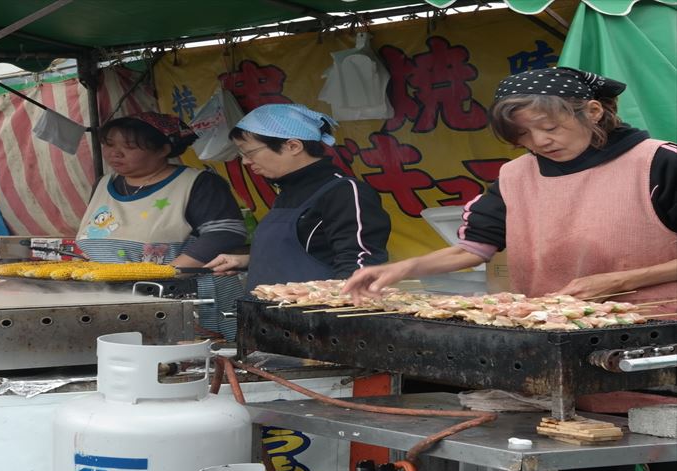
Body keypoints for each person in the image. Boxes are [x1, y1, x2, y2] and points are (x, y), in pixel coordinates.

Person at [342, 67, 677, 316]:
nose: (540, 142)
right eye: (523, 136)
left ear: (592, 111)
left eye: (550, 128)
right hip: (554, 335)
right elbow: (474, 248)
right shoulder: (515, 175)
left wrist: (619, 282)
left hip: (656, 337)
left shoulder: (657, 162)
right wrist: (401, 269)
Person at [76, 111, 247, 337]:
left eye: (130, 146)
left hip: (188, 299)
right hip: (116, 299)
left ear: (164, 149)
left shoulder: (198, 183)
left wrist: (168, 277)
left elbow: (224, 233)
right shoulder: (103, 184)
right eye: (108, 144)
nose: (115, 153)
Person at [206, 104, 391, 288]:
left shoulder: (345, 191)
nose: (245, 161)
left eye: (249, 152)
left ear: (293, 146)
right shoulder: (287, 192)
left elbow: (360, 264)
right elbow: (312, 252)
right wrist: (246, 261)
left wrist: (332, 308)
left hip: (315, 313)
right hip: (266, 313)